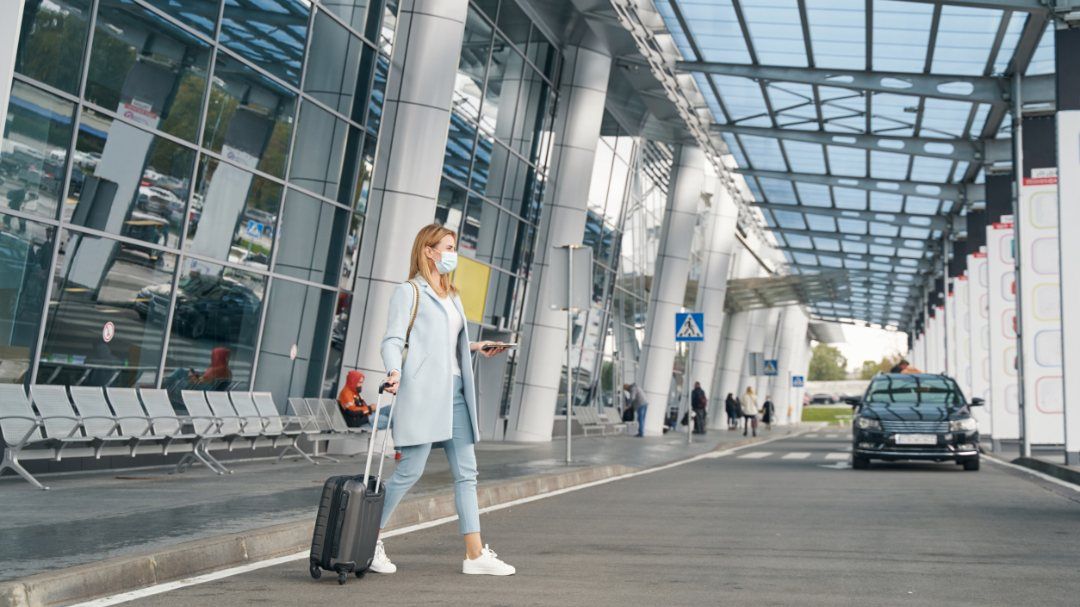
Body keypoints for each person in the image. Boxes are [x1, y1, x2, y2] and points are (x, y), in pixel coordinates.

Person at [375, 224, 514, 576]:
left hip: (456, 392)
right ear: (428, 250)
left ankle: (474, 555)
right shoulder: (409, 292)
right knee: (409, 471)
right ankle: (368, 539)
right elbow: (392, 340)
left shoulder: (452, 295)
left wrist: (476, 347)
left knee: (467, 474)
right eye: (449, 247)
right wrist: (393, 372)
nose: (453, 254)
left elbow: (443, 345)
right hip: (423, 394)